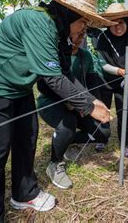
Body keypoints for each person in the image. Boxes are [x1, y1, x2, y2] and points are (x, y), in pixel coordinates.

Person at [0, 0, 115, 222]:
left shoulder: (58, 32)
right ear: (69, 13)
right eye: (83, 24)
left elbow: (63, 72)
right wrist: (88, 106)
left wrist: (91, 101)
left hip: (17, 85)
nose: (83, 32)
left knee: (27, 136)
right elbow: (52, 78)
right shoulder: (39, 22)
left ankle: (24, 194)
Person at [37, 31, 110, 189]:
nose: (79, 37)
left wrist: (97, 103)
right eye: (75, 34)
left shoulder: (86, 56)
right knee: (68, 122)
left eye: (82, 34)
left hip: (80, 102)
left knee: (103, 133)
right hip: (51, 101)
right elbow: (46, 84)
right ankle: (55, 164)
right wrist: (79, 104)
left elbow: (91, 82)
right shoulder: (54, 53)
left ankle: (68, 141)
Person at [95, 3, 128, 158]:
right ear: (109, 24)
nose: (118, 27)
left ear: (126, 21)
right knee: (102, 109)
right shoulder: (103, 38)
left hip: (127, 79)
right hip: (106, 79)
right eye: (114, 23)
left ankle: (126, 143)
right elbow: (102, 63)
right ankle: (101, 139)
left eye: (121, 22)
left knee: (124, 110)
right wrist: (120, 71)